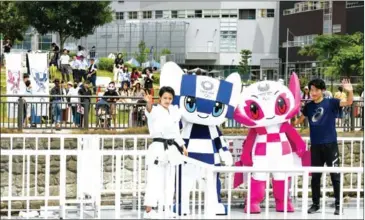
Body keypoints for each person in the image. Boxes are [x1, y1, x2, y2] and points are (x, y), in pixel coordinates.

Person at [294, 78, 353, 215]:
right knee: (315, 176)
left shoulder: (331, 102)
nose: (313, 93)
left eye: (316, 90)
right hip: (315, 145)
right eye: (311, 90)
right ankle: (315, 204)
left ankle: (338, 205)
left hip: (330, 144)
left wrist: (350, 91)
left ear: (322, 90)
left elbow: (349, 102)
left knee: (335, 175)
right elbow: (298, 121)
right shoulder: (308, 107)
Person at [143, 86, 188, 219]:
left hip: (172, 149)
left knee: (169, 180)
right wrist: (149, 102)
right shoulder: (155, 110)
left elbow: (176, 132)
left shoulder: (173, 112)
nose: (167, 100)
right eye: (165, 98)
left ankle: (166, 208)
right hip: (158, 147)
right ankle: (148, 210)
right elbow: (149, 111)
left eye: (170, 98)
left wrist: (183, 146)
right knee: (154, 179)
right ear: (160, 98)